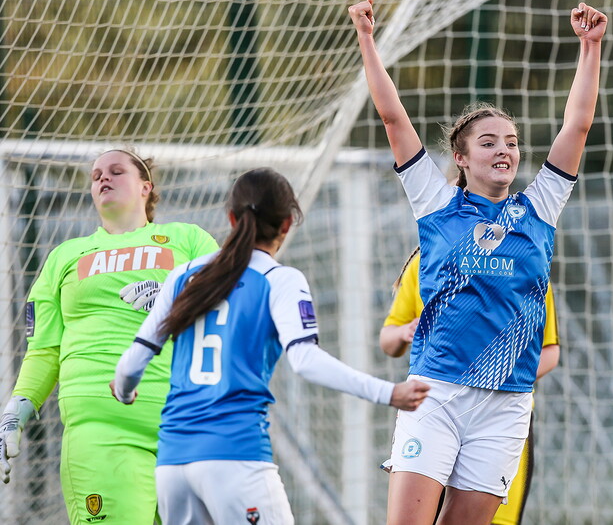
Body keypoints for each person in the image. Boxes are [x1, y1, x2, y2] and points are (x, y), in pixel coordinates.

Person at [349, 0, 605, 525]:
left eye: (511, 142)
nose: (504, 151)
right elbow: (392, 116)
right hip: (436, 393)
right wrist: (368, 40)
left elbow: (577, 127)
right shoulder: (437, 204)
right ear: (461, 158)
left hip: (507, 405)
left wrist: (591, 48)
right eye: (488, 143)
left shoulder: (539, 209)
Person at [110, 167, 430, 525]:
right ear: (287, 224)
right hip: (235, 456)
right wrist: (390, 392)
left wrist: (124, 392)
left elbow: (131, 364)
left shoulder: (184, 275)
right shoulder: (280, 280)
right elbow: (306, 361)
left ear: (231, 218)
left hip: (172, 464)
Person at [0, 149, 219, 524]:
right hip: (101, 428)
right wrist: (15, 411)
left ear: (145, 187)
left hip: (190, 425)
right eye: (96, 174)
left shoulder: (189, 239)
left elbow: (231, 303)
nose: (103, 178)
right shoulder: (64, 256)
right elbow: (44, 349)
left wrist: (176, 298)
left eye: (117, 171)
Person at [380, 247, 561, 525]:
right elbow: (389, 340)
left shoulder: (528, 260)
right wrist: (404, 332)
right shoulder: (427, 258)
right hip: (436, 410)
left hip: (502, 418)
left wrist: (498, 376)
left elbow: (550, 351)